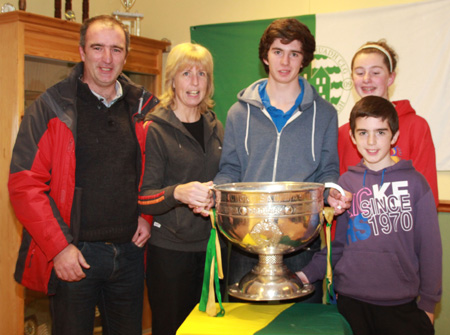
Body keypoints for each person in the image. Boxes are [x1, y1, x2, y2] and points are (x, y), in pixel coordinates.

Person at [8, 15, 157, 335]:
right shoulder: (51, 106)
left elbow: (156, 171)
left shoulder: (145, 107)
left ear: (126, 57)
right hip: (74, 255)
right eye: (97, 48)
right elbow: (24, 183)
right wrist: (59, 247)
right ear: (81, 52)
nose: (107, 59)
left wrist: (147, 215)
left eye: (116, 50)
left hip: (130, 255)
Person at [213, 18, 352, 302]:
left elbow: (327, 172)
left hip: (301, 244)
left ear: (305, 60)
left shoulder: (324, 114)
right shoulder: (239, 113)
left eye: (294, 53)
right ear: (266, 56)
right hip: (246, 242)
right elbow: (229, 170)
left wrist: (331, 195)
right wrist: (215, 192)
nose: (285, 61)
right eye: (278, 51)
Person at [299, 96, 442, 335]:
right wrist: (306, 274)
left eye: (381, 132)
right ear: (353, 138)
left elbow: (430, 249)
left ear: (394, 136)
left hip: (401, 306)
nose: (372, 141)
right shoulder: (345, 183)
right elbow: (338, 245)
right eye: (363, 133)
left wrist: (428, 304)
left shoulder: (416, 183)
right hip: (350, 303)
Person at [137, 43, 224, 335]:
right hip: (170, 253)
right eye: (186, 73)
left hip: (213, 250)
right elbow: (144, 197)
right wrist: (178, 193)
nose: (195, 81)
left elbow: (228, 177)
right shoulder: (155, 129)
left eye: (202, 73)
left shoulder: (217, 127)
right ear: (172, 80)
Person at [338, 40, 439, 206]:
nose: (366, 79)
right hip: (359, 230)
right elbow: (341, 197)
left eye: (375, 72)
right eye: (359, 72)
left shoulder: (416, 127)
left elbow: (427, 195)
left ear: (391, 77)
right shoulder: (344, 133)